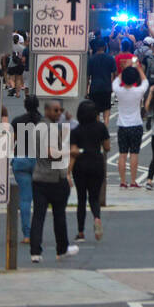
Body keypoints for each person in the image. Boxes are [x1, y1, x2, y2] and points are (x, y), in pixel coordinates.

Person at [30, 100, 79, 262]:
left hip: (39, 177)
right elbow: (51, 153)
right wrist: (69, 152)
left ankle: (35, 252)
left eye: (61, 110)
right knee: (59, 215)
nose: (59, 113)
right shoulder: (49, 129)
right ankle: (62, 249)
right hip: (54, 179)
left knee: (38, 216)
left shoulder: (39, 127)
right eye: (56, 110)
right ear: (47, 111)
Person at [69, 99, 109, 243]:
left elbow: (73, 151)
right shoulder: (101, 127)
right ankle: (97, 217)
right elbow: (107, 146)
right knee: (94, 197)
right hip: (97, 163)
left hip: (80, 165)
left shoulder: (76, 131)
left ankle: (81, 232)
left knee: (81, 198)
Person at [11, 95, 42, 243]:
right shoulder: (43, 121)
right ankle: (38, 232)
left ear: (25, 106)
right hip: (38, 160)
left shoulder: (17, 121)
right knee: (40, 199)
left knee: (25, 199)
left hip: (21, 159)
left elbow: (13, 141)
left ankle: (27, 234)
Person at [113, 66, 148, 188]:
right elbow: (145, 82)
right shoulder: (138, 91)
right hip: (136, 125)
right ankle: (133, 181)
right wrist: (139, 69)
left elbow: (115, 82)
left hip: (122, 125)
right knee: (134, 154)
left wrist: (123, 70)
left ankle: (123, 181)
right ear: (134, 79)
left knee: (122, 154)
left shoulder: (119, 90)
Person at [87, 40, 116, 126]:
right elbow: (114, 73)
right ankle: (105, 130)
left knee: (96, 111)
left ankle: (97, 130)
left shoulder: (91, 59)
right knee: (106, 110)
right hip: (106, 88)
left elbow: (88, 76)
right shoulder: (110, 58)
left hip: (94, 88)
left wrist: (86, 89)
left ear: (96, 47)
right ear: (105, 47)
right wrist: (112, 84)